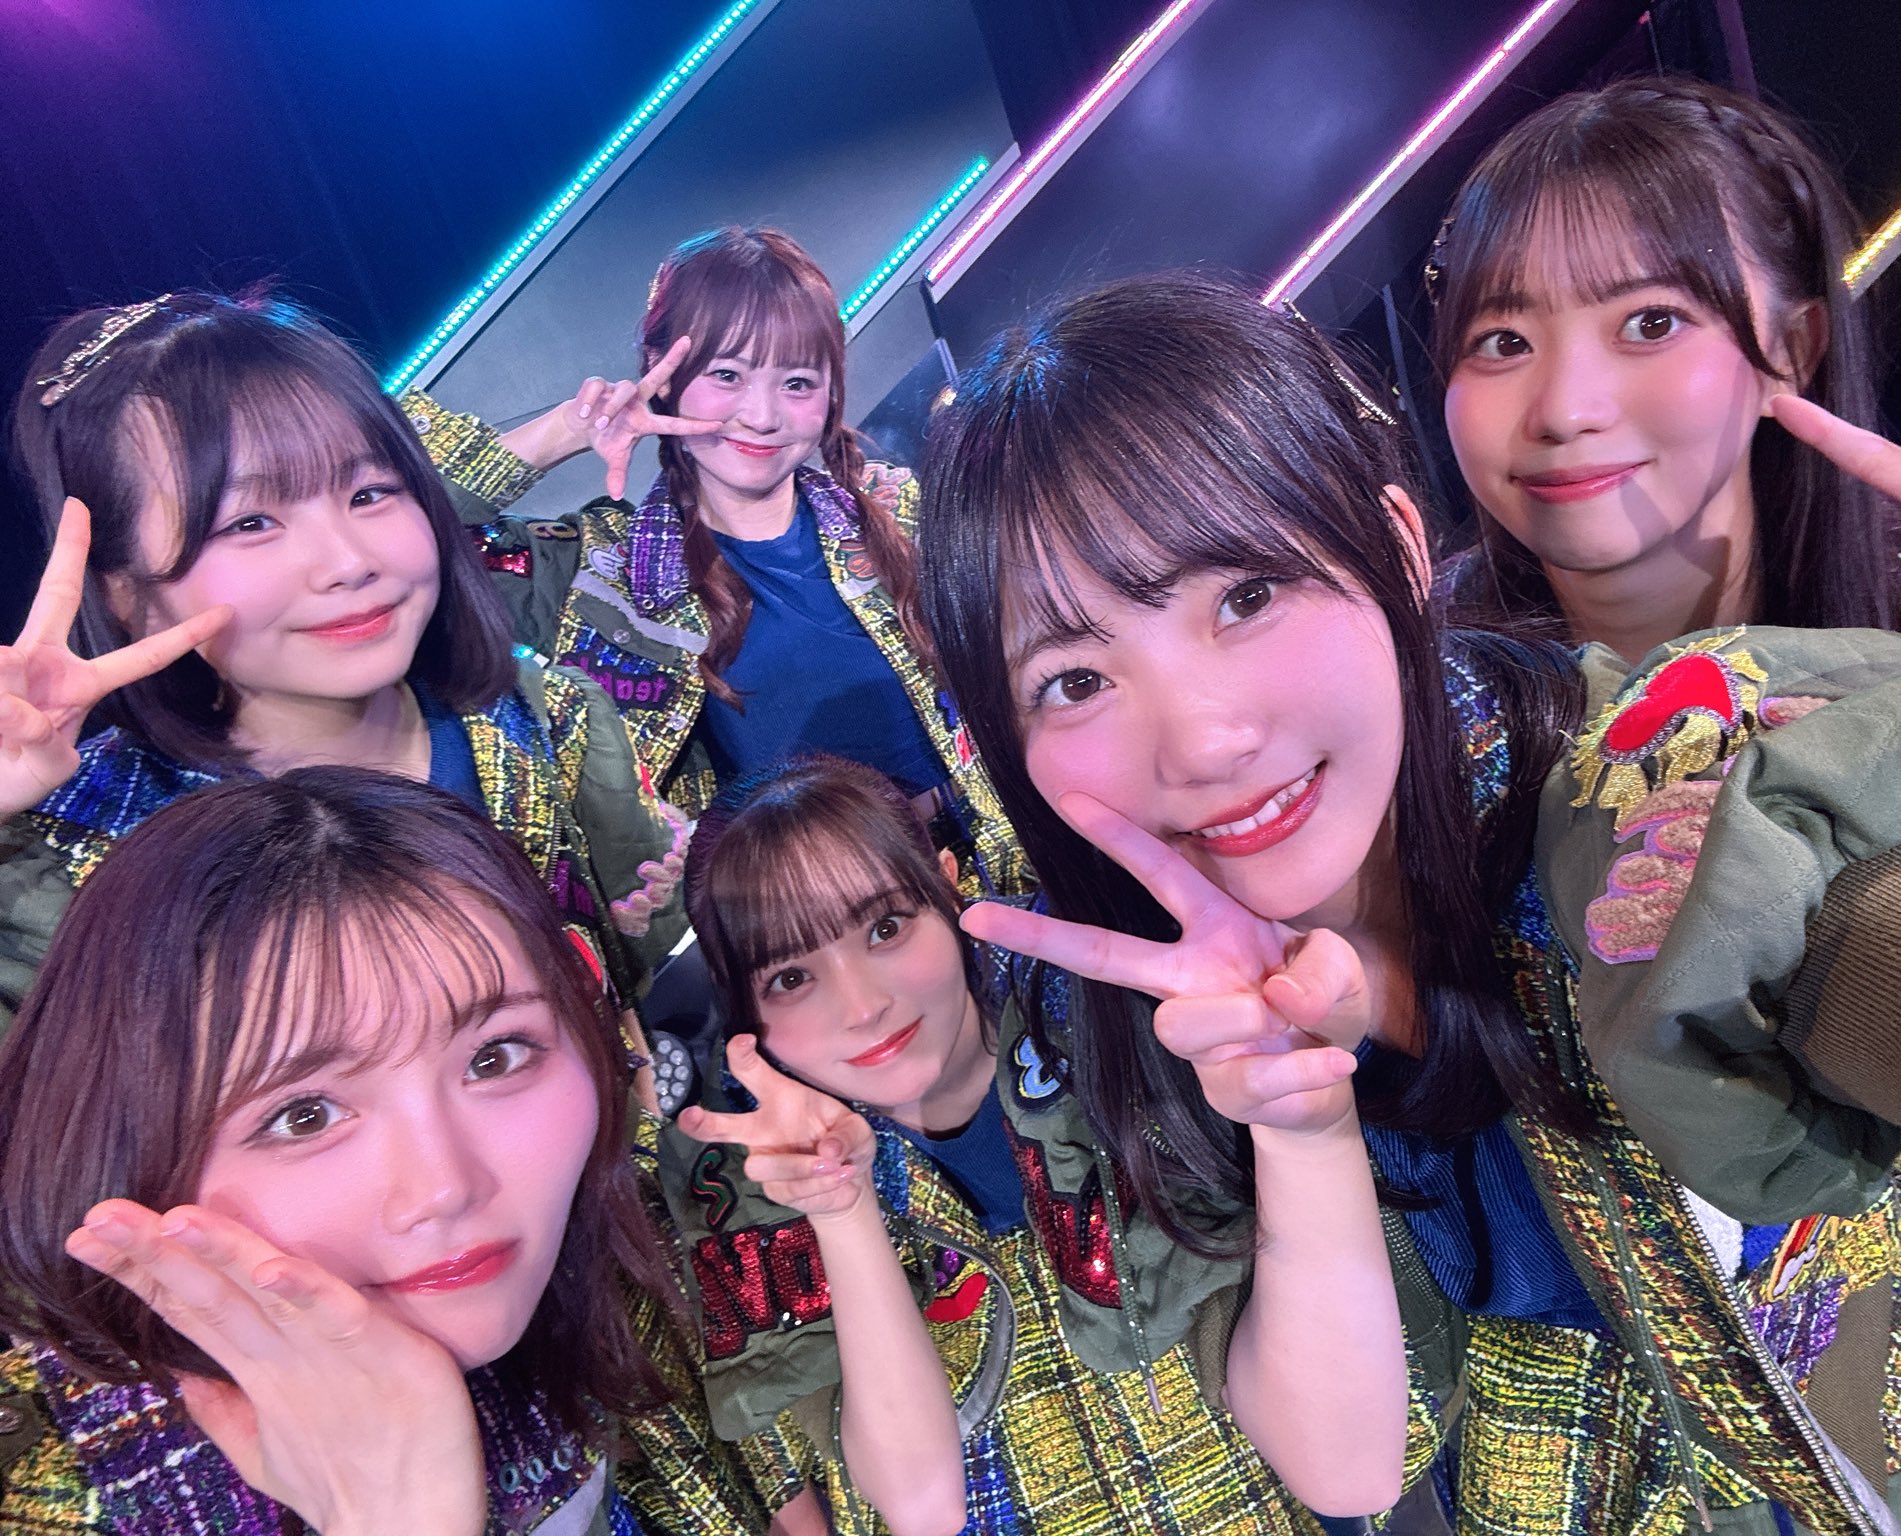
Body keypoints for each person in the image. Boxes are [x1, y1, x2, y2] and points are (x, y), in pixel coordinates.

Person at [916, 270, 1901, 1535]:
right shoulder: (1125, 1022)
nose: (1202, 740)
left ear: (1399, 550)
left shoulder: (1659, 784)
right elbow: (1349, 1465)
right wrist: (1297, 1124)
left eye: (1244, 596)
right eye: (1073, 681)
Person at [0, 768, 789, 1532]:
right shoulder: (55, 1483)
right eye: (304, 1115)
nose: (446, 1186)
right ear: (128, 1138)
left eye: (495, 1057)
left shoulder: (632, 1251)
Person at [664, 753, 1410, 1533]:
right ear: (743, 1008)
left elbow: (1349, 1465)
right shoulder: (752, 1170)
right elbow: (921, 1507)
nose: (861, 1006)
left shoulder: (1120, 1014)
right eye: (790, 978)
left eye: (885, 928)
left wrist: (1303, 1111)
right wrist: (840, 1208)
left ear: (948, 884)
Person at [0, 290, 688, 1034]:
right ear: (126, 593)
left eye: (369, 493)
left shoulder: (552, 721)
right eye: (251, 522)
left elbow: (666, 990)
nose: (349, 561)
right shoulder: (71, 871)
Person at [401, 226, 1027, 900]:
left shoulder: (898, 513)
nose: (761, 415)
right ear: (662, 372)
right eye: (727, 375)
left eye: (797, 382)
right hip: (791, 925)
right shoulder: (601, 573)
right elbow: (387, 523)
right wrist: (567, 431)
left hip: (998, 880)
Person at [1430, 75, 1901, 661]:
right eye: (1504, 342)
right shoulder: (1409, 678)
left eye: (1651, 323)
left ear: (1790, 352)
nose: (1563, 412)